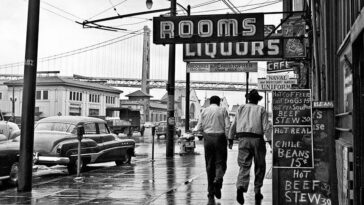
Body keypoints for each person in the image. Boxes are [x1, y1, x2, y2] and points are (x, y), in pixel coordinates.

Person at [228, 89, 270, 204]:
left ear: (248, 99)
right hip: (257, 140)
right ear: (257, 100)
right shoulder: (261, 109)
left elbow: (234, 124)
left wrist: (230, 138)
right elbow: (266, 127)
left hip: (243, 139)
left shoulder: (241, 108)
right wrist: (270, 141)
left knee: (244, 165)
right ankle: (257, 190)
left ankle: (240, 187)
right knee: (260, 165)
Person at [193, 95, 230, 203]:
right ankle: (218, 179)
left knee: (209, 164)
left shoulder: (204, 111)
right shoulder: (223, 110)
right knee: (221, 162)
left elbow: (199, 127)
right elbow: (227, 126)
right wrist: (227, 138)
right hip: (220, 138)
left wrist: (202, 132)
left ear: (210, 102)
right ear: (219, 102)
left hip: (208, 139)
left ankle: (210, 191)